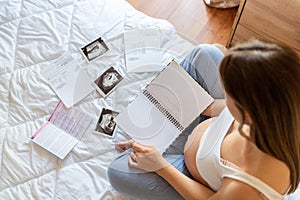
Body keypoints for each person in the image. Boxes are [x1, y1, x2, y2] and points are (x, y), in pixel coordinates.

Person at [107, 40, 300, 200]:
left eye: (229, 93)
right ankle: (157, 136)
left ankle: (160, 152)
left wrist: (160, 166)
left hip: (190, 172)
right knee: (205, 54)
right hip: (204, 134)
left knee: (118, 172)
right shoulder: (280, 111)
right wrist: (196, 103)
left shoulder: (245, 188)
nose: (224, 93)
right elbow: (223, 108)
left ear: (248, 112)